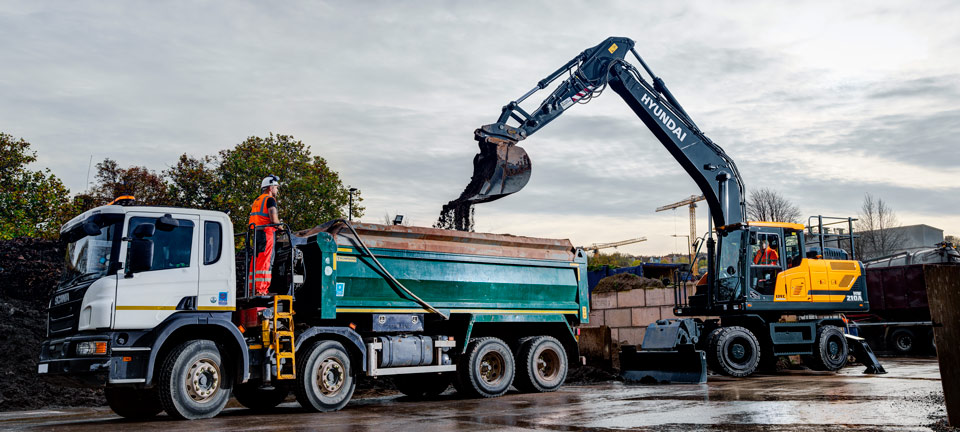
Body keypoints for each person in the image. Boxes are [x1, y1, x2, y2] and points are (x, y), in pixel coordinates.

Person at [249, 175, 283, 295]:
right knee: (266, 261)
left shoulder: (257, 201)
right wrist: (281, 227)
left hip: (256, 233)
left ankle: (253, 288)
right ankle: (262, 290)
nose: (277, 190)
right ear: (270, 187)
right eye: (276, 187)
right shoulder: (270, 200)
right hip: (266, 233)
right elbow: (274, 219)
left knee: (256, 260)